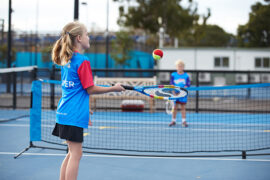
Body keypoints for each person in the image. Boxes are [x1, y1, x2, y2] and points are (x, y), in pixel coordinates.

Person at [51, 21, 124, 180]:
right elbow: (90, 89)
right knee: (76, 155)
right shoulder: (82, 61)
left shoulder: (66, 60)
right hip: (73, 115)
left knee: (72, 153)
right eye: (87, 34)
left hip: (64, 112)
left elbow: (74, 90)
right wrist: (114, 88)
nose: (89, 37)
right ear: (79, 38)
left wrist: (85, 108)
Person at [169, 59, 190, 127]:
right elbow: (171, 84)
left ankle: (184, 121)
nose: (180, 67)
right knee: (174, 108)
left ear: (183, 67)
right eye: (178, 66)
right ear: (176, 67)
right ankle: (173, 120)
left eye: (181, 66)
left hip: (183, 95)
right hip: (174, 94)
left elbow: (187, 85)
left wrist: (182, 93)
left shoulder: (186, 75)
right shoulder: (173, 75)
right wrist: (174, 93)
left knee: (183, 107)